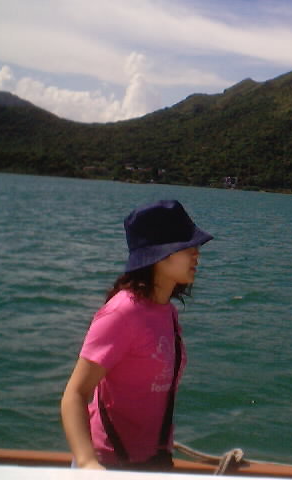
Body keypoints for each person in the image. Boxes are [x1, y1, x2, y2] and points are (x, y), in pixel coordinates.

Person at [60, 200, 213, 471]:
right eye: (188, 247)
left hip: (153, 461)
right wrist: (87, 463)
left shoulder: (167, 312)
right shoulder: (122, 312)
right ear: (161, 255)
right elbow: (75, 394)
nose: (196, 254)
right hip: (108, 464)